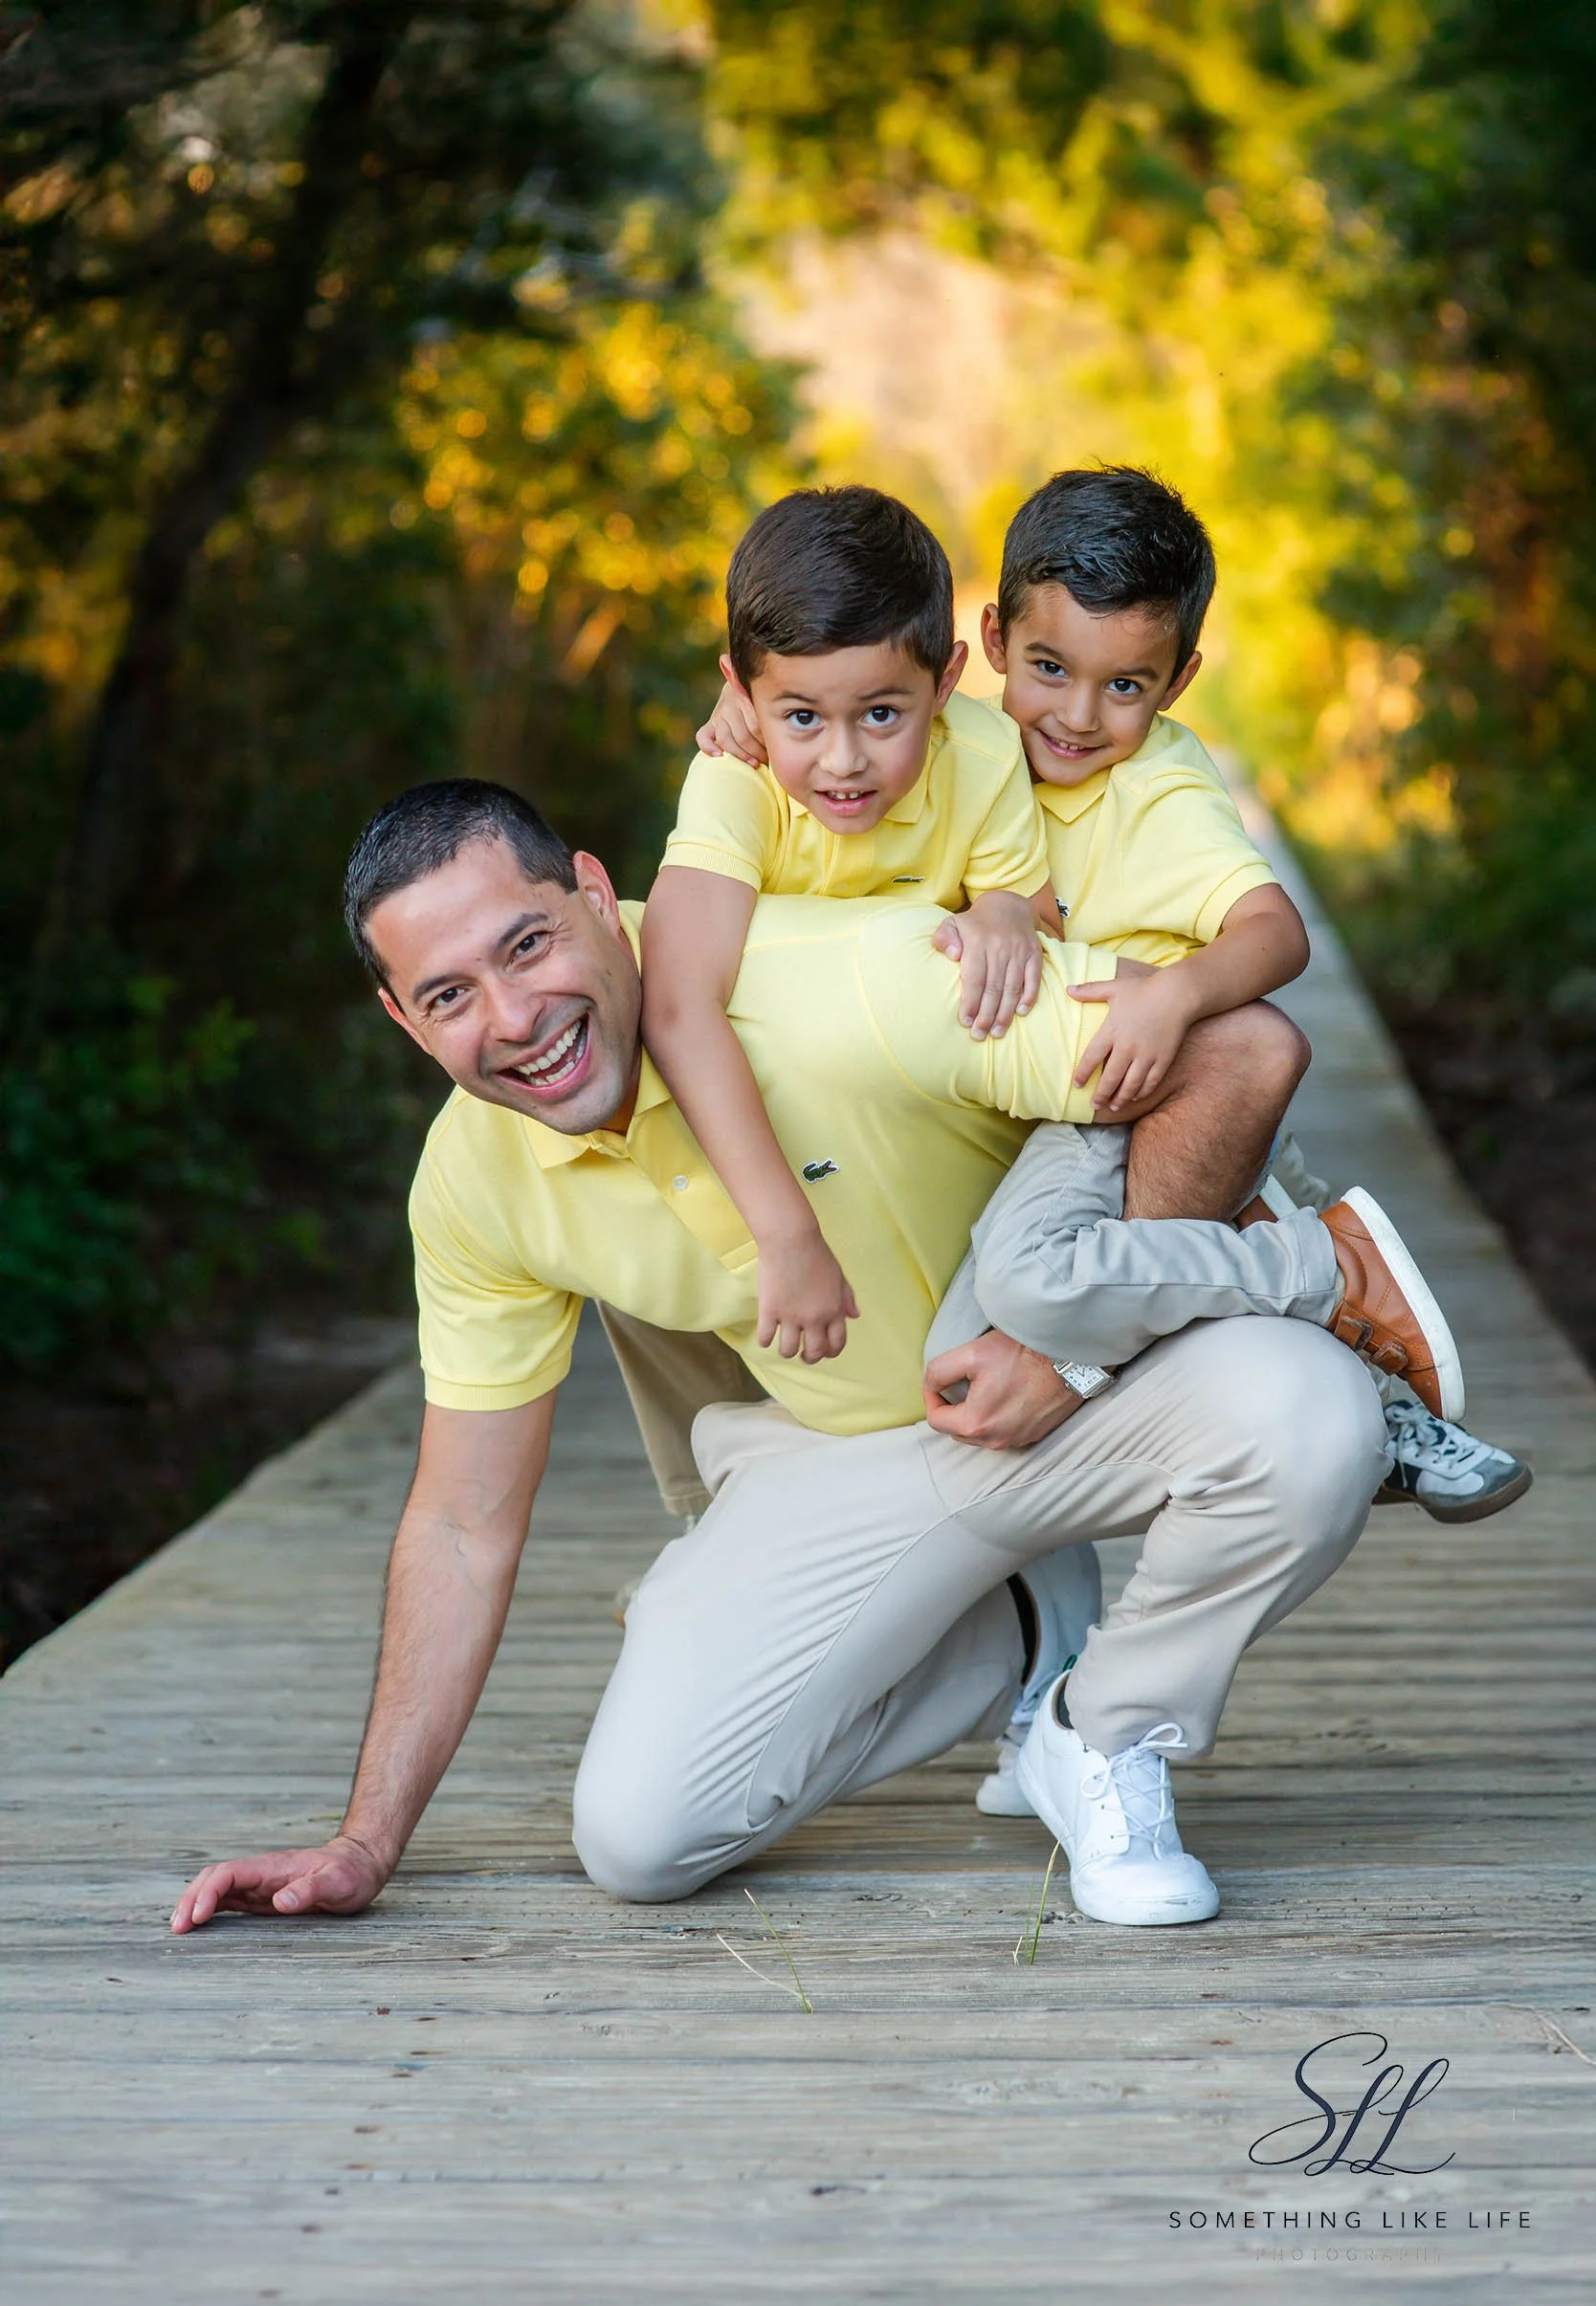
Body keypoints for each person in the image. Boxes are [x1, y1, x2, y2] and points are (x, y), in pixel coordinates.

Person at [169, 781, 1456, 1938]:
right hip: (831, 1459)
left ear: (599, 898)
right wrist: (364, 1841)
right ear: (403, 1019)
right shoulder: (473, 1182)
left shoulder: (850, 983)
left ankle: (1101, 1725)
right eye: (450, 996)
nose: (514, 1020)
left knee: (1317, 1416)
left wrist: (1064, 1358)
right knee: (640, 1840)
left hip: (1080, 1409)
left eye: (527, 945)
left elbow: (1242, 1051)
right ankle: (1013, 1623)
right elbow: (459, 1521)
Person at [698, 464, 1531, 1530]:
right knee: (987, 1337)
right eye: (1049, 667)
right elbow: (837, 697)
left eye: (1125, 686)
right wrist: (742, 708)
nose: (1079, 717)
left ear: (1177, 682)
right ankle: (1357, 1370)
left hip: (1127, 1099)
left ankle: (1322, 1273)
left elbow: (1274, 933)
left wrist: (1176, 996)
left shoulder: (1159, 791)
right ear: (991, 645)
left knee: (1032, 1288)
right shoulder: (954, 743)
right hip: (1039, 1104)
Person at [641, 485, 1060, 1371]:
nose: (841, 761)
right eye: (801, 716)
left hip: (922, 1121)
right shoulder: (738, 776)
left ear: (945, 681)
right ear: (741, 695)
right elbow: (677, 1004)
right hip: (769, 1138)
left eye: (881, 714)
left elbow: (1039, 917)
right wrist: (785, 1235)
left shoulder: (982, 755)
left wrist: (1004, 911)